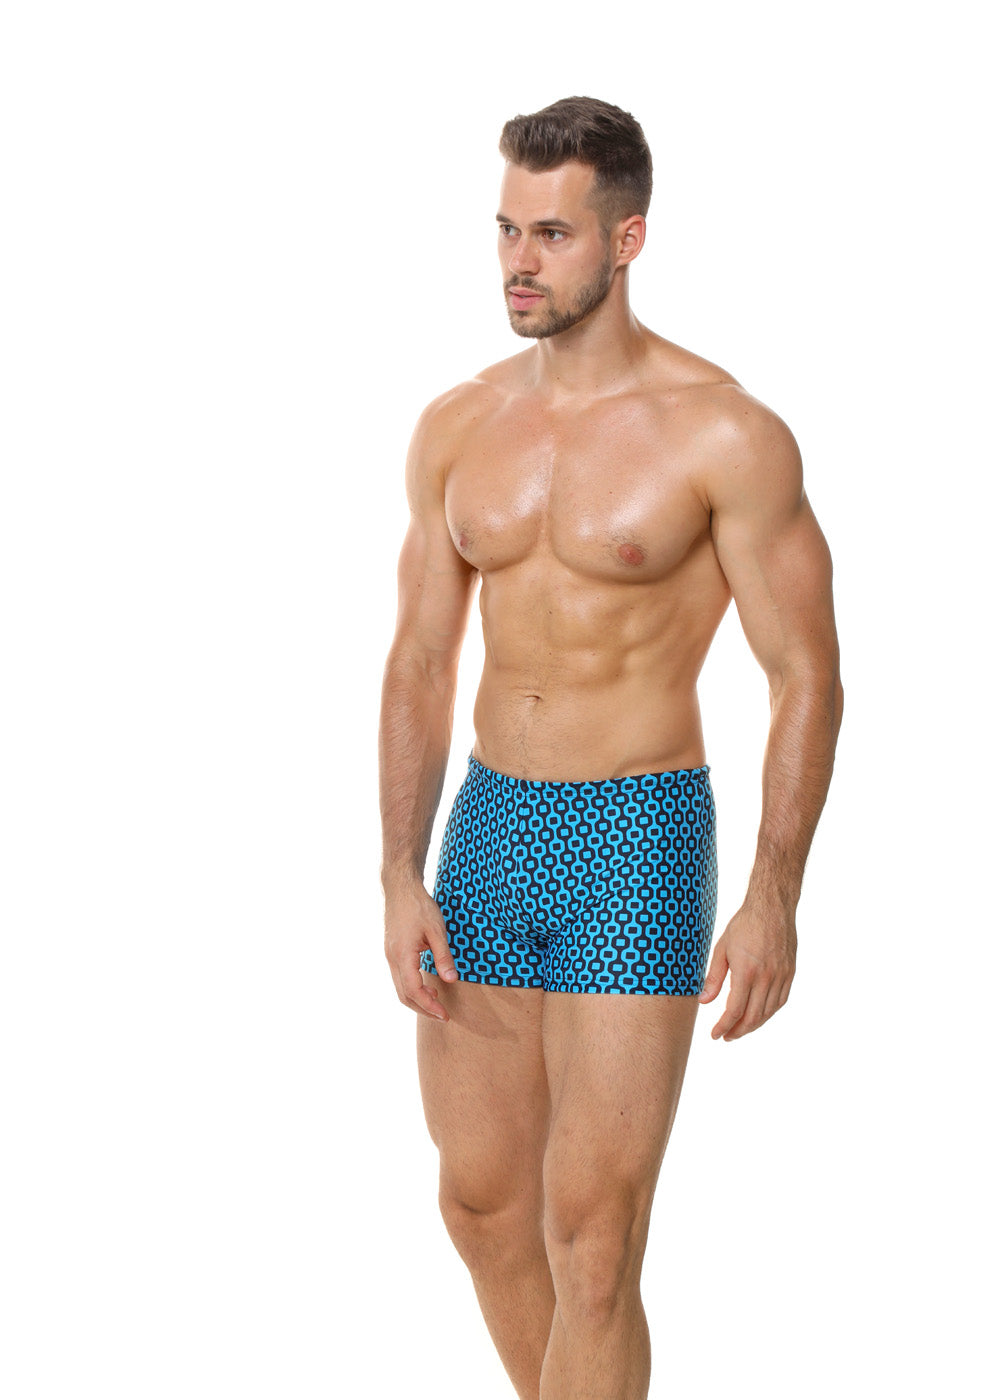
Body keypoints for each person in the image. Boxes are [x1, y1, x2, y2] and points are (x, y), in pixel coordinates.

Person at [378, 95, 843, 1400]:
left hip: (637, 835)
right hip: (488, 828)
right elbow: (419, 663)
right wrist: (398, 871)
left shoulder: (723, 433)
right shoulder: (459, 424)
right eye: (506, 230)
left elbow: (805, 674)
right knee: (481, 1204)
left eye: (553, 235)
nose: (519, 263)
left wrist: (774, 895)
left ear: (627, 239)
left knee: (593, 1241)